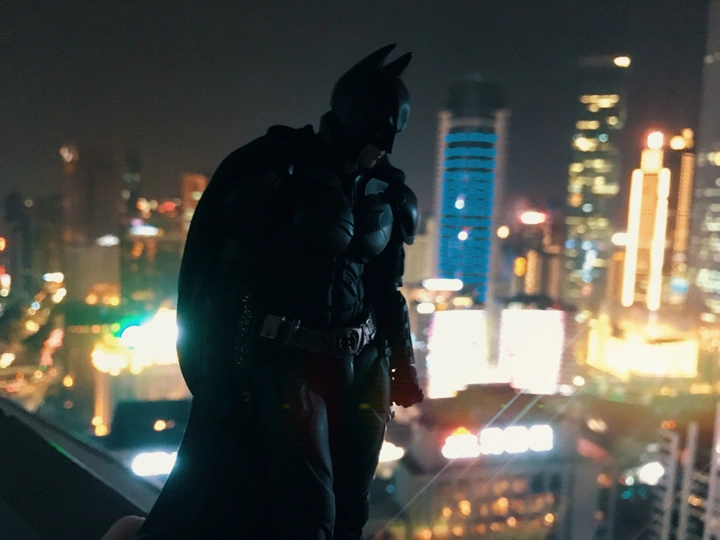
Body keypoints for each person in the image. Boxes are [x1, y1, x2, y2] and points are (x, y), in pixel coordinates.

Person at [134, 44, 423, 540]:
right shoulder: (276, 170)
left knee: (351, 509)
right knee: (311, 514)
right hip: (291, 366)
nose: (386, 145)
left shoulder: (385, 190)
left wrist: (403, 362)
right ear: (354, 116)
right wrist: (228, 372)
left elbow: (385, 287)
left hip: (364, 365)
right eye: (380, 130)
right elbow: (227, 283)